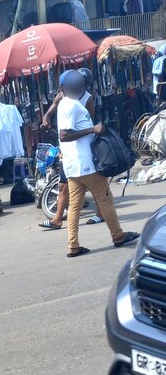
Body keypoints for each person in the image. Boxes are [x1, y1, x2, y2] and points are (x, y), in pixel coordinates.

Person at [56, 70, 139, 258]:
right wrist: (92, 129)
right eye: (74, 85)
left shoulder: (66, 103)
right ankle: (118, 236)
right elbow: (65, 135)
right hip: (84, 163)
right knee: (105, 199)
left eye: (80, 84)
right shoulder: (71, 106)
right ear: (63, 88)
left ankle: (73, 246)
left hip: (74, 166)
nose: (79, 87)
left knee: (75, 206)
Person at [40, 68, 105, 229]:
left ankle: (101, 214)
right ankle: (58, 220)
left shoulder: (87, 99)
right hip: (68, 151)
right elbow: (50, 111)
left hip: (81, 150)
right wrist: (46, 118)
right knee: (64, 186)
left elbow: (89, 124)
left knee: (94, 185)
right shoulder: (63, 95)